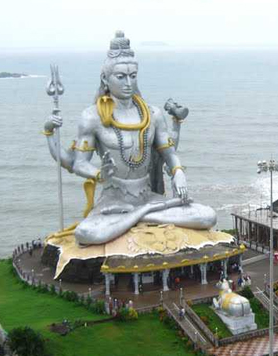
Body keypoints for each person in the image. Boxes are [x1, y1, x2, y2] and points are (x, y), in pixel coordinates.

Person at [42, 31, 217, 245]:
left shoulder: (152, 114)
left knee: (207, 216)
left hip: (148, 196)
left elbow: (169, 154)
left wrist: (178, 172)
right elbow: (79, 164)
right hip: (114, 201)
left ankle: (141, 214)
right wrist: (99, 175)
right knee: (87, 233)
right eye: (121, 77)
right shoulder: (92, 116)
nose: (128, 83)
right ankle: (144, 214)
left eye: (133, 76)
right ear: (105, 78)